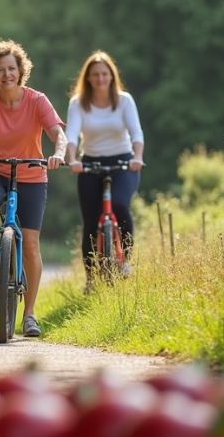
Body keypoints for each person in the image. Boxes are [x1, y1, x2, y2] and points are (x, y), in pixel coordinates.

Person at [0, 39, 67, 338]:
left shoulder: (37, 100)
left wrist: (58, 153)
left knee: (30, 246)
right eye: (0, 70)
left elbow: (58, 134)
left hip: (31, 173)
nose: (7, 74)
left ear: (20, 71)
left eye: (11, 68)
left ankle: (29, 314)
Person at [64, 50, 145, 294]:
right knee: (91, 221)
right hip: (90, 164)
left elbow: (136, 132)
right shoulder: (78, 103)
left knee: (119, 204)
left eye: (104, 74)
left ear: (112, 76)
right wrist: (72, 160)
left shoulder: (124, 101)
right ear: (88, 78)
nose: (100, 78)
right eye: (95, 74)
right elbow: (71, 135)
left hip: (123, 163)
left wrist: (137, 157)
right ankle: (90, 279)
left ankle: (125, 261)